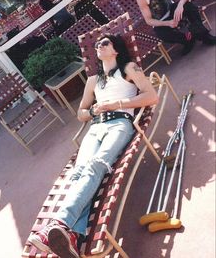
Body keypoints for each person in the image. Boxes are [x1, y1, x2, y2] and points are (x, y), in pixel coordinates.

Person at [28, 33, 158, 257]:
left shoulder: (128, 68)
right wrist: (92, 111)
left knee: (97, 165)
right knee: (79, 173)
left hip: (119, 123)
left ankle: (56, 224)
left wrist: (116, 104)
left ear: (115, 49)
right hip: (95, 127)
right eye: (97, 44)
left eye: (104, 43)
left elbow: (151, 96)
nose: (99, 46)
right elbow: (81, 113)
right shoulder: (92, 80)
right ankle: (74, 236)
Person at [135, 0, 216, 55]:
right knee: (162, 34)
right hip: (161, 21)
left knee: (189, 6)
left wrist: (180, 5)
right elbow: (149, 20)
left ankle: (204, 36)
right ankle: (188, 40)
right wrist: (167, 23)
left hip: (172, 9)